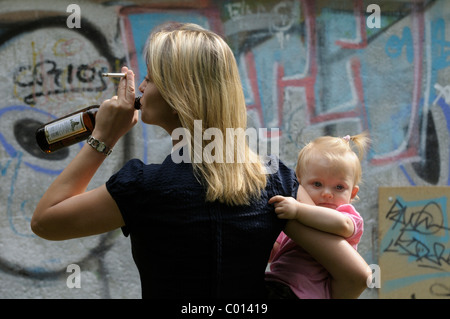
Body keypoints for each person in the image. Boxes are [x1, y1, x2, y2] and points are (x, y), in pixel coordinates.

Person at [31, 22, 370, 298]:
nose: (142, 87)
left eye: (150, 78)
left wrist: (102, 138)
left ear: (179, 93)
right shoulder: (274, 179)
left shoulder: (142, 186)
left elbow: (46, 221)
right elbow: (354, 276)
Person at [265, 133, 370, 299]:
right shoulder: (294, 216)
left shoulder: (347, 215)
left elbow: (343, 225)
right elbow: (274, 252)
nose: (327, 194)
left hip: (307, 294)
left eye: (339, 187)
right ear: (299, 184)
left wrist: (298, 210)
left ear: (352, 193)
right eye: (317, 184)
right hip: (276, 282)